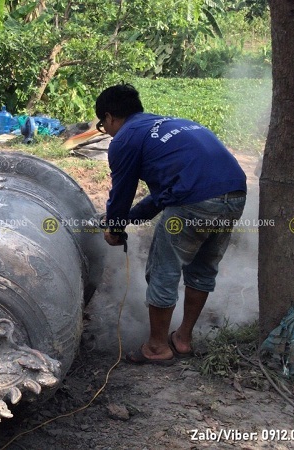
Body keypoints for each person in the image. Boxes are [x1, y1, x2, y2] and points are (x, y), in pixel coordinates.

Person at [96, 83, 247, 365]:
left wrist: (115, 229)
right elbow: (165, 195)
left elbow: (122, 191)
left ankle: (156, 348)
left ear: (109, 117)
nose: (108, 131)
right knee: (202, 269)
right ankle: (183, 339)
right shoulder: (174, 124)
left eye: (103, 126)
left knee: (163, 270)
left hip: (195, 201)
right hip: (235, 194)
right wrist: (129, 219)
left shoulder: (125, 138)